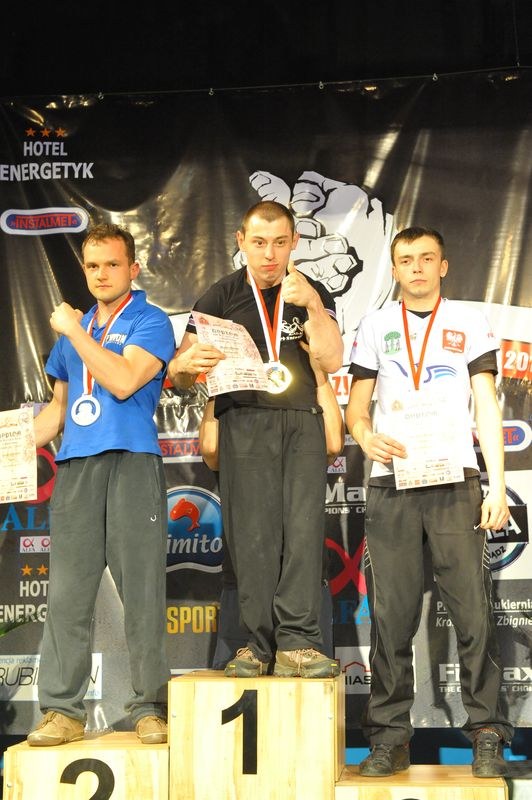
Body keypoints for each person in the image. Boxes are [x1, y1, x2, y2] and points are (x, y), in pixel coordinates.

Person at [345, 226, 513, 778]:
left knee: (472, 613)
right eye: (405, 260)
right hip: (392, 481)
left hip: (454, 480)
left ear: (443, 266)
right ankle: (389, 738)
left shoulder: (468, 320)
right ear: (393, 269)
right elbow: (357, 408)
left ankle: (487, 732)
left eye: (426, 258)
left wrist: (495, 484)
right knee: (391, 618)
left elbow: (486, 405)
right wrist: (365, 436)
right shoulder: (375, 325)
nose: (415, 268)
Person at [168, 200, 343, 678]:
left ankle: (298, 644)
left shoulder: (312, 291)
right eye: (260, 242)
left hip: (302, 417)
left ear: (294, 243)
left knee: (303, 533)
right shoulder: (220, 295)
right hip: (242, 419)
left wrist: (312, 305)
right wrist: (184, 365)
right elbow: (180, 374)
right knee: (251, 537)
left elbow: (331, 359)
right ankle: (256, 644)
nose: (269, 254)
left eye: (280, 243)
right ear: (241, 241)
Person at [27, 223, 175, 747]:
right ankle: (62, 710)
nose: (101, 274)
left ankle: (149, 705)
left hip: (132, 462)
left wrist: (74, 332)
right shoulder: (77, 329)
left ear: (132, 268)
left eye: (112, 264)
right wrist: (10, 446)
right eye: (92, 266)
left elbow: (123, 380)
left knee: (141, 591)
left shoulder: (150, 321)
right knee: (68, 595)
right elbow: (56, 413)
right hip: (75, 468)